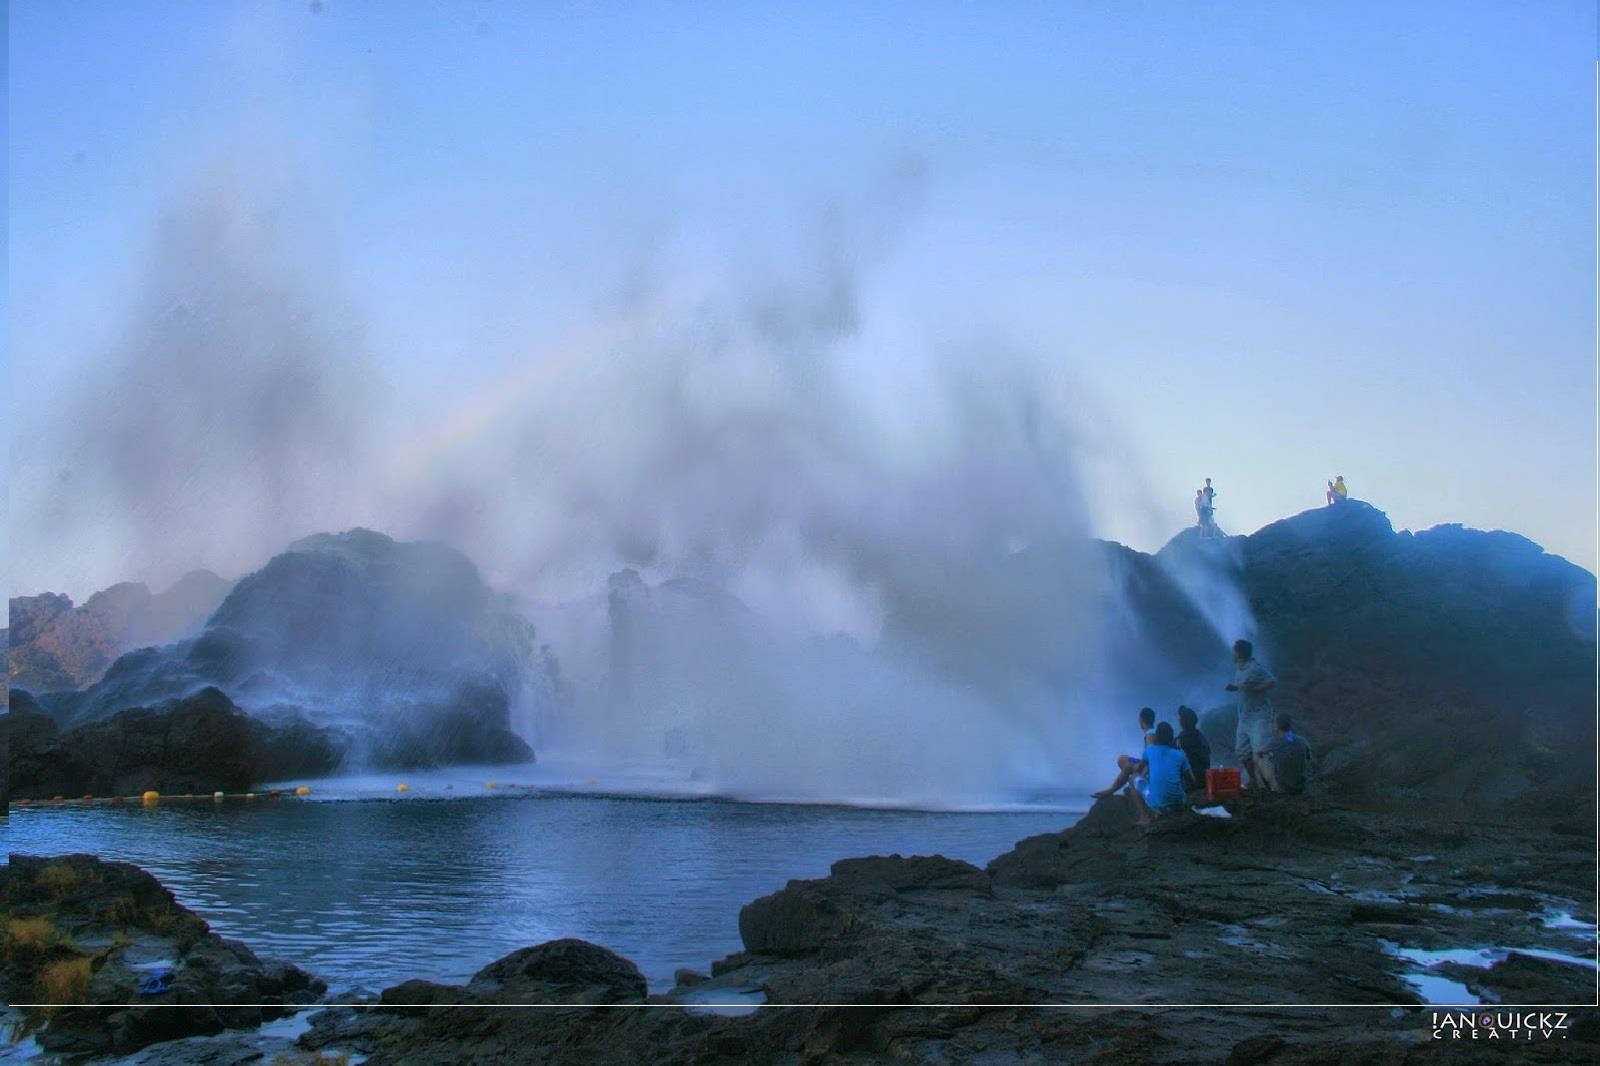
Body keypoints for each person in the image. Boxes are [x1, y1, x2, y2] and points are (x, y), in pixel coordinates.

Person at [1224, 639, 1276, 790]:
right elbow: (1243, 686)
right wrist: (1238, 688)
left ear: (1239, 654)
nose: (1231, 654)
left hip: (1260, 716)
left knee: (1261, 752)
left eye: (1233, 651)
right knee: (1242, 751)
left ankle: (1272, 786)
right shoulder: (1239, 668)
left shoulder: (1255, 668)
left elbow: (1272, 682)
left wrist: (1252, 688)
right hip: (1244, 716)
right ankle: (1253, 780)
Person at [1126, 721, 1194, 824]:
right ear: (1171, 738)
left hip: (1158, 805)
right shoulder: (1179, 755)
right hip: (1180, 803)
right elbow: (1191, 781)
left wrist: (1130, 767)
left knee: (1133, 778)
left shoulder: (1150, 751)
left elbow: (1138, 769)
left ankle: (1145, 818)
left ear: (1156, 737)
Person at [1093, 707, 1157, 799]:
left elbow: (1152, 758)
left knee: (1128, 767)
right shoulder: (1152, 732)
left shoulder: (1150, 735)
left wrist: (1143, 772)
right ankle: (1124, 783)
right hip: (1147, 764)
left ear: (1141, 720)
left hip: (1150, 768)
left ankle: (1111, 790)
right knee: (1122, 759)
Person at [1259, 713, 1312, 794]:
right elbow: (1308, 758)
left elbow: (1260, 751)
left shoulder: (1275, 742)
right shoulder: (1302, 740)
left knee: (1260, 757)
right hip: (1301, 787)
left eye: (1274, 723)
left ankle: (1273, 788)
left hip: (1283, 789)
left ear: (1277, 726)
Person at [1175, 705, 1211, 786]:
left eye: (1180, 718)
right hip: (1205, 777)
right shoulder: (1200, 735)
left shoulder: (1181, 739)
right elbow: (1208, 752)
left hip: (1193, 781)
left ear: (1182, 722)